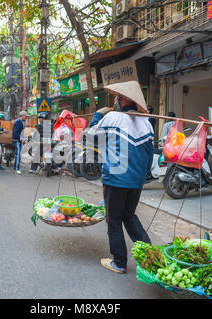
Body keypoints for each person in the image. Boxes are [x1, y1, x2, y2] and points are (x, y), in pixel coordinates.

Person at [89, 81, 154, 274]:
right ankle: (151, 256)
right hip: (136, 180)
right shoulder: (146, 123)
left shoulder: (113, 118)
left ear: (124, 99)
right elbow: (149, 156)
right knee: (129, 216)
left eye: (117, 96)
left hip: (116, 179)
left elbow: (91, 136)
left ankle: (119, 262)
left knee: (114, 220)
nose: (115, 99)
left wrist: (97, 116)